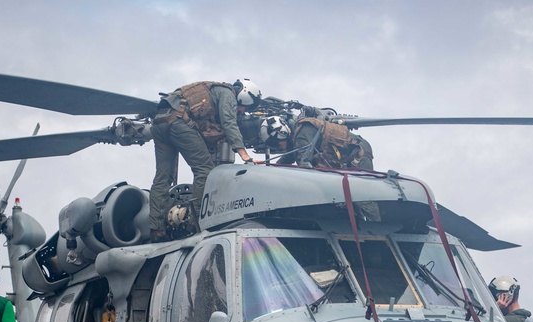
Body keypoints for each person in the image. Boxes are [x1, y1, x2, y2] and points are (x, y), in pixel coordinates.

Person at [148, 79, 262, 242]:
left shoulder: (214, 91)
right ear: (245, 96)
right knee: (205, 171)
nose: (243, 111)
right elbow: (229, 122)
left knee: (162, 178)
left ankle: (156, 229)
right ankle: (194, 223)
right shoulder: (228, 94)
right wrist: (243, 154)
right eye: (246, 107)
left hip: (159, 123)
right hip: (178, 123)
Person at [271, 111, 374, 170]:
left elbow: (304, 165)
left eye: (276, 143)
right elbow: (287, 158)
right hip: (350, 158)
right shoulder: (295, 138)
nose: (278, 147)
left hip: (359, 154)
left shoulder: (302, 135)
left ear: (283, 133)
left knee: (364, 195)